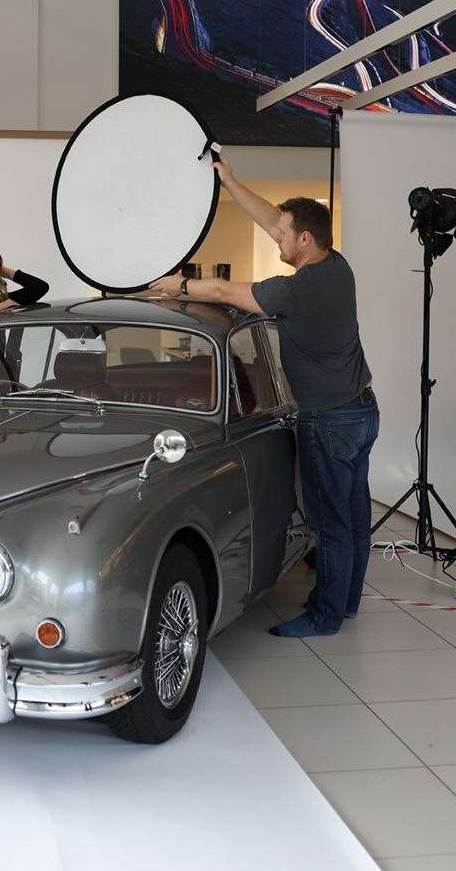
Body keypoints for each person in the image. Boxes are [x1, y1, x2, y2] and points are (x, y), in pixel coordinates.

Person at [151, 154, 377, 638]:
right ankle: (347, 601)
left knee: (331, 522)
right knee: (355, 513)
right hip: (361, 411)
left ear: (305, 240)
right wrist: (230, 180)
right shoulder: (338, 267)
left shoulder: (297, 290)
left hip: (330, 422)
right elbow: (274, 217)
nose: (276, 235)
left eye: (283, 233)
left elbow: (231, 294)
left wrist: (181, 284)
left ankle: (325, 616)